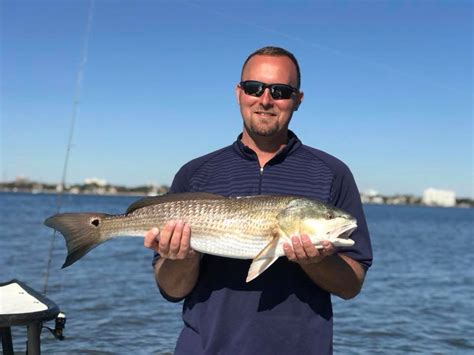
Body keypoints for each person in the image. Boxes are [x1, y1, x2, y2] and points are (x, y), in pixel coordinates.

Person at [144, 46, 373, 354]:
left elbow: (351, 285)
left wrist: (317, 262)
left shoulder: (333, 173)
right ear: (239, 93)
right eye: (254, 88)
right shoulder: (195, 173)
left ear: (297, 100)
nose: (265, 100)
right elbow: (172, 289)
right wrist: (182, 257)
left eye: (280, 91)